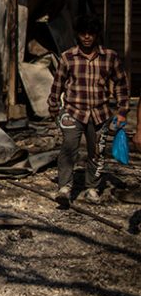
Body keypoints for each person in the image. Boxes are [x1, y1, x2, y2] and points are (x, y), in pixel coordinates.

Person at [47, 14, 129, 205]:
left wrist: (123, 111)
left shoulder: (110, 57)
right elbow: (57, 84)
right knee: (68, 148)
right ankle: (64, 188)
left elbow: (121, 84)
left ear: (96, 35)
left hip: (100, 114)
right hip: (72, 111)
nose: (86, 37)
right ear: (77, 34)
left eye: (91, 33)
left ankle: (91, 187)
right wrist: (54, 109)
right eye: (83, 33)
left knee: (96, 152)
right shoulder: (68, 57)